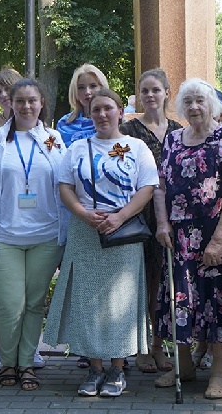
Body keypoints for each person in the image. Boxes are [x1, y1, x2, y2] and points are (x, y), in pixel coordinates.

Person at [45, 89, 158, 398]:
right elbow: (64, 186)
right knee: (87, 301)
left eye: (108, 108)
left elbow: (147, 187)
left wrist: (120, 216)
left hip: (123, 230)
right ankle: (95, 368)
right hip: (85, 231)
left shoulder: (136, 147)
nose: (102, 114)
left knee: (120, 302)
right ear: (89, 112)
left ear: (121, 111)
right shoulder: (78, 147)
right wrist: (82, 214)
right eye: (96, 109)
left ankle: (117, 369)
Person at [0, 78, 67, 392]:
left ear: (41, 104)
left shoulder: (54, 139)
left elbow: (65, 183)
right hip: (3, 233)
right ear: (10, 103)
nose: (26, 106)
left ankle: (26, 363)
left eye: (32, 101)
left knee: (35, 303)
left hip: (46, 234)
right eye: (20, 101)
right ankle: (7, 360)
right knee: (10, 304)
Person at [153, 78, 222, 399]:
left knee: (216, 299)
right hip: (177, 237)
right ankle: (185, 367)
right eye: (188, 101)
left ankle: (219, 373)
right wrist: (162, 224)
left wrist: (219, 239)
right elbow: (160, 187)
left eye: (200, 101)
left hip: (212, 235)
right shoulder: (174, 138)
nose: (193, 107)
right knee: (180, 298)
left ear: (212, 105)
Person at [122, 68, 183, 374]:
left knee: (164, 285)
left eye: (155, 90)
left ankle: (159, 345)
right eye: (144, 91)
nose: (149, 96)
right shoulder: (129, 129)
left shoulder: (177, 130)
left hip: (171, 214)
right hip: (138, 213)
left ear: (166, 93)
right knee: (140, 283)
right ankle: (139, 347)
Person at [56, 63, 108, 146]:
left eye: (93, 86)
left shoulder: (111, 121)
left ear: (102, 88)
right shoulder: (64, 124)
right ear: (75, 91)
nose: (87, 92)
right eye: (81, 87)